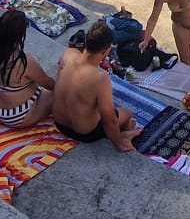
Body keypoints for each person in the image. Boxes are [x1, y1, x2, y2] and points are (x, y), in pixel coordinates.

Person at [52, 20, 140, 151]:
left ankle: (123, 131)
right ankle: (125, 135)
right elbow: (109, 118)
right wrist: (119, 144)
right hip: (83, 133)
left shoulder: (69, 54)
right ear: (105, 51)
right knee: (126, 113)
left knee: (87, 99)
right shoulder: (100, 78)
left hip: (59, 123)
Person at [0, 10, 55, 129]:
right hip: (15, 117)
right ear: (21, 33)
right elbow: (49, 84)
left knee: (26, 84)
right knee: (59, 94)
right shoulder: (24, 61)